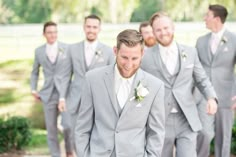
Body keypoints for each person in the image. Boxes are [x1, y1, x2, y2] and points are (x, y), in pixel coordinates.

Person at [74, 29, 165, 157]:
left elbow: (156, 132)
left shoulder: (155, 86)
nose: (129, 64)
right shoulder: (92, 79)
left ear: (142, 54)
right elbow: (82, 127)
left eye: (134, 58)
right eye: (124, 57)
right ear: (115, 51)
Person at [141, 12, 218, 157]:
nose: (163, 32)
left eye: (166, 28)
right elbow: (140, 86)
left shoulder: (190, 52)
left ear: (173, 27)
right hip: (159, 120)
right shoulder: (146, 57)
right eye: (158, 30)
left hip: (186, 119)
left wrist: (211, 98)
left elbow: (201, 79)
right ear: (153, 32)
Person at [194, 4, 236, 157]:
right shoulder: (200, 41)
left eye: (207, 16)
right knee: (204, 133)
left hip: (227, 96)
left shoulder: (234, 39)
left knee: (223, 137)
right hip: (204, 96)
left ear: (217, 19)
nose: (205, 18)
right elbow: (195, 68)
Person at [58, 15, 114, 126]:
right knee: (74, 135)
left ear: (99, 29)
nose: (91, 30)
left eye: (94, 27)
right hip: (75, 100)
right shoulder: (72, 49)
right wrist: (62, 98)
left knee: (96, 137)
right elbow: (65, 76)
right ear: (84, 27)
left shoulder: (108, 51)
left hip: (99, 102)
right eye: (88, 27)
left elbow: (112, 78)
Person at [30, 21, 74, 157]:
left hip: (65, 93)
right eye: (49, 32)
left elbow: (72, 70)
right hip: (47, 94)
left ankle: (69, 152)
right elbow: (35, 72)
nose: (53, 35)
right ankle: (55, 154)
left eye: (55, 32)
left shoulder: (67, 48)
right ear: (44, 34)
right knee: (51, 129)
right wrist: (33, 88)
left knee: (68, 126)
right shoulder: (39, 51)